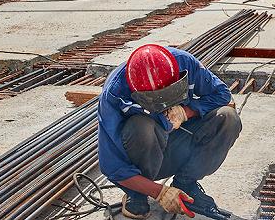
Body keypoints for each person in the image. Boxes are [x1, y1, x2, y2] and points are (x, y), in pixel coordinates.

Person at [98, 44, 242, 219]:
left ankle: (186, 184)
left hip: (178, 147)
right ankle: (137, 194)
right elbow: (113, 168)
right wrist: (160, 192)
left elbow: (222, 94)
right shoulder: (114, 94)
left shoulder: (185, 63)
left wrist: (187, 112)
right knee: (141, 126)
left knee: (227, 117)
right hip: (144, 156)